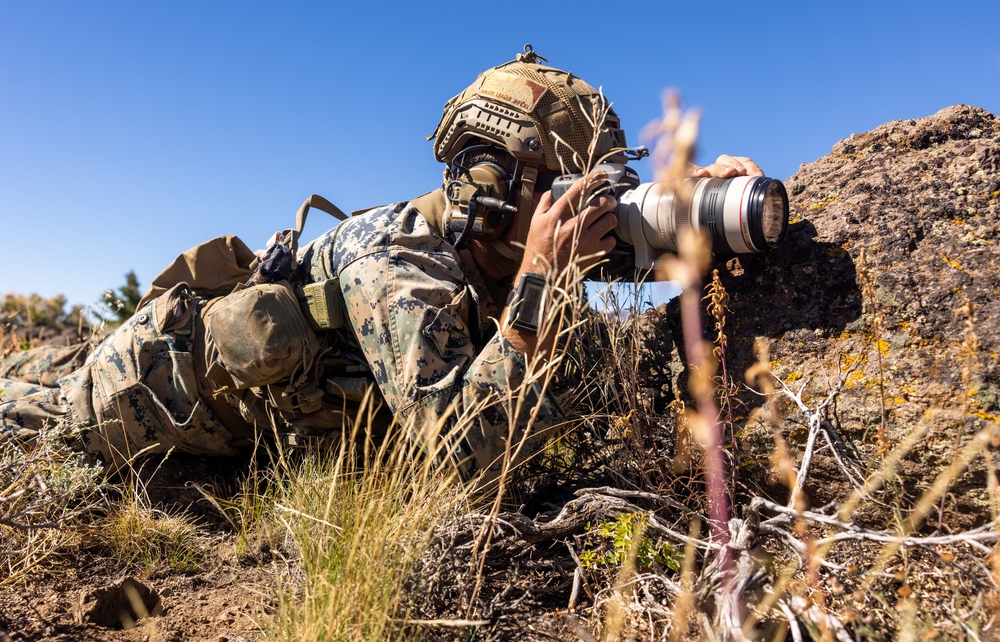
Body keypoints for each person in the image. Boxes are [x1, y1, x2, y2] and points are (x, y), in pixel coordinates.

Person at [0, 46, 762, 483]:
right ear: (493, 182)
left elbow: (620, 259)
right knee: (31, 417)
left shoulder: (500, 248)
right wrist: (538, 284)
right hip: (149, 393)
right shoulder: (395, 260)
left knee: (36, 368)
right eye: (571, 191)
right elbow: (454, 453)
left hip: (242, 429)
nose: (584, 213)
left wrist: (692, 207)